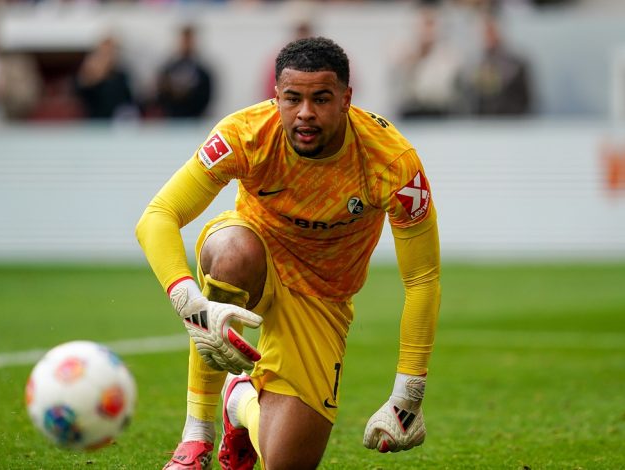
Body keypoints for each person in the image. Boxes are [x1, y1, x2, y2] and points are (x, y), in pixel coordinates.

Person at [136, 37, 441, 470]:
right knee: (231, 252)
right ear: (275, 97)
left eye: (321, 99)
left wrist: (408, 394)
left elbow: (422, 279)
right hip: (255, 262)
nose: (305, 113)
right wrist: (189, 300)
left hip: (323, 297)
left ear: (346, 100)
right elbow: (158, 215)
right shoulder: (245, 134)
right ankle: (196, 436)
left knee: (285, 463)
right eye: (293, 98)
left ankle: (238, 401)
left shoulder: (392, 162)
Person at [392, 8, 464, 119]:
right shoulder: (406, 52)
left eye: (431, 25)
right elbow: (399, 85)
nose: (427, 31)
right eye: (424, 25)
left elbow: (442, 87)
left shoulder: (448, 55)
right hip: (412, 110)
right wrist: (416, 58)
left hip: (438, 111)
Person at [458, 14, 533, 116]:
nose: (488, 35)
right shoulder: (471, 65)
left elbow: (525, 101)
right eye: (484, 32)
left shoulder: (517, 65)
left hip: (509, 124)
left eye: (491, 31)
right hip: (480, 126)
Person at [74, 35, 137, 120]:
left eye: (111, 51)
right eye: (105, 51)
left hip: (117, 124)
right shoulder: (91, 73)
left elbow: (129, 101)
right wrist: (91, 74)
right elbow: (81, 93)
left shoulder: (121, 75)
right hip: (96, 123)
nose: (108, 54)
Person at [156, 25, 213, 119]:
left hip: (195, 120)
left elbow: (206, 97)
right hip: (171, 120)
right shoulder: (168, 69)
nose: (186, 44)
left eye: (189, 40)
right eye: (184, 40)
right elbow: (160, 95)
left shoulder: (203, 72)